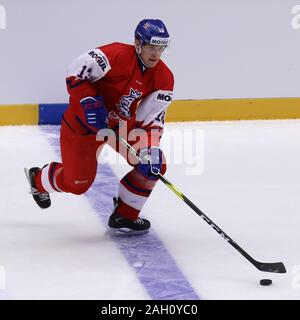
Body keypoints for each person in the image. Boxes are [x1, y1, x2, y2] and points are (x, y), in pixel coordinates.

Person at [25, 19, 174, 233]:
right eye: (151, 47)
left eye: (161, 48)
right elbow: (76, 70)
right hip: (83, 125)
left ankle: (125, 215)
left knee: (153, 163)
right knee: (77, 184)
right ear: (138, 43)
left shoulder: (164, 77)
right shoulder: (115, 54)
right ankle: (38, 179)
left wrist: (150, 147)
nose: (156, 54)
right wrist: (89, 101)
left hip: (120, 126)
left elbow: (152, 119)